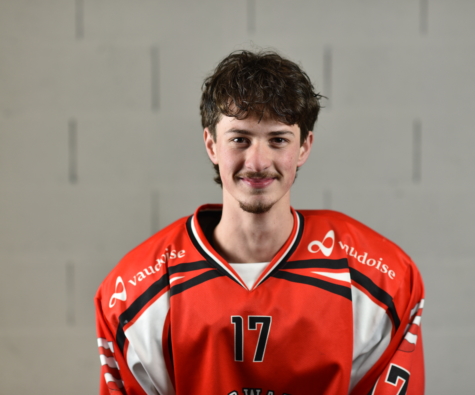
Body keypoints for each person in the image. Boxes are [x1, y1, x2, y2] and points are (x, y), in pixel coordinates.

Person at [95, 50, 425, 395]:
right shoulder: (135, 290)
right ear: (211, 144)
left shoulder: (379, 279)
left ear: (304, 147)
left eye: (278, 140)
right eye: (239, 139)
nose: (257, 162)